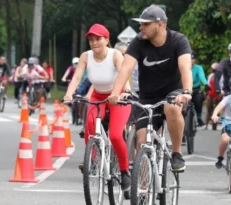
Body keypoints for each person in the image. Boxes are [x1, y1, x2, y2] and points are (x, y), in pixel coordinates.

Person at [107, 5, 193, 172]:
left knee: (172, 108)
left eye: (145, 24)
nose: (141, 28)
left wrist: (187, 92)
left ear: (160, 24)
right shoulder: (138, 42)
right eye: (141, 24)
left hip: (172, 93)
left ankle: (176, 153)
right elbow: (126, 68)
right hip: (147, 96)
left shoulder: (178, 40)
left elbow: (185, 68)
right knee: (142, 141)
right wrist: (115, 94)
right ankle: (143, 190)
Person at [63, 23, 132, 191]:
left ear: (107, 40)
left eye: (98, 39)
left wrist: (127, 92)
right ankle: (94, 161)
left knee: (115, 135)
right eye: (91, 40)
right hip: (97, 96)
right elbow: (77, 76)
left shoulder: (115, 55)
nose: (94, 43)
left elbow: (124, 75)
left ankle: (124, 171)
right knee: (89, 126)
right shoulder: (86, 56)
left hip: (117, 96)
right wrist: (69, 94)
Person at [190, 52, 209, 127]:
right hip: (185, 89)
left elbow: (201, 76)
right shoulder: (182, 66)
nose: (191, 61)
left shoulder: (198, 68)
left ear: (195, 60)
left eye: (193, 59)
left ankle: (199, 118)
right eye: (189, 59)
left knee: (198, 101)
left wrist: (206, 84)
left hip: (195, 89)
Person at [205, 62, 223, 128]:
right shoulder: (210, 75)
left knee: (216, 109)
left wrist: (220, 94)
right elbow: (208, 85)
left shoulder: (221, 76)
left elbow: (221, 85)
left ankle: (214, 123)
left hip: (217, 94)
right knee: (209, 109)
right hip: (211, 93)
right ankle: (206, 124)